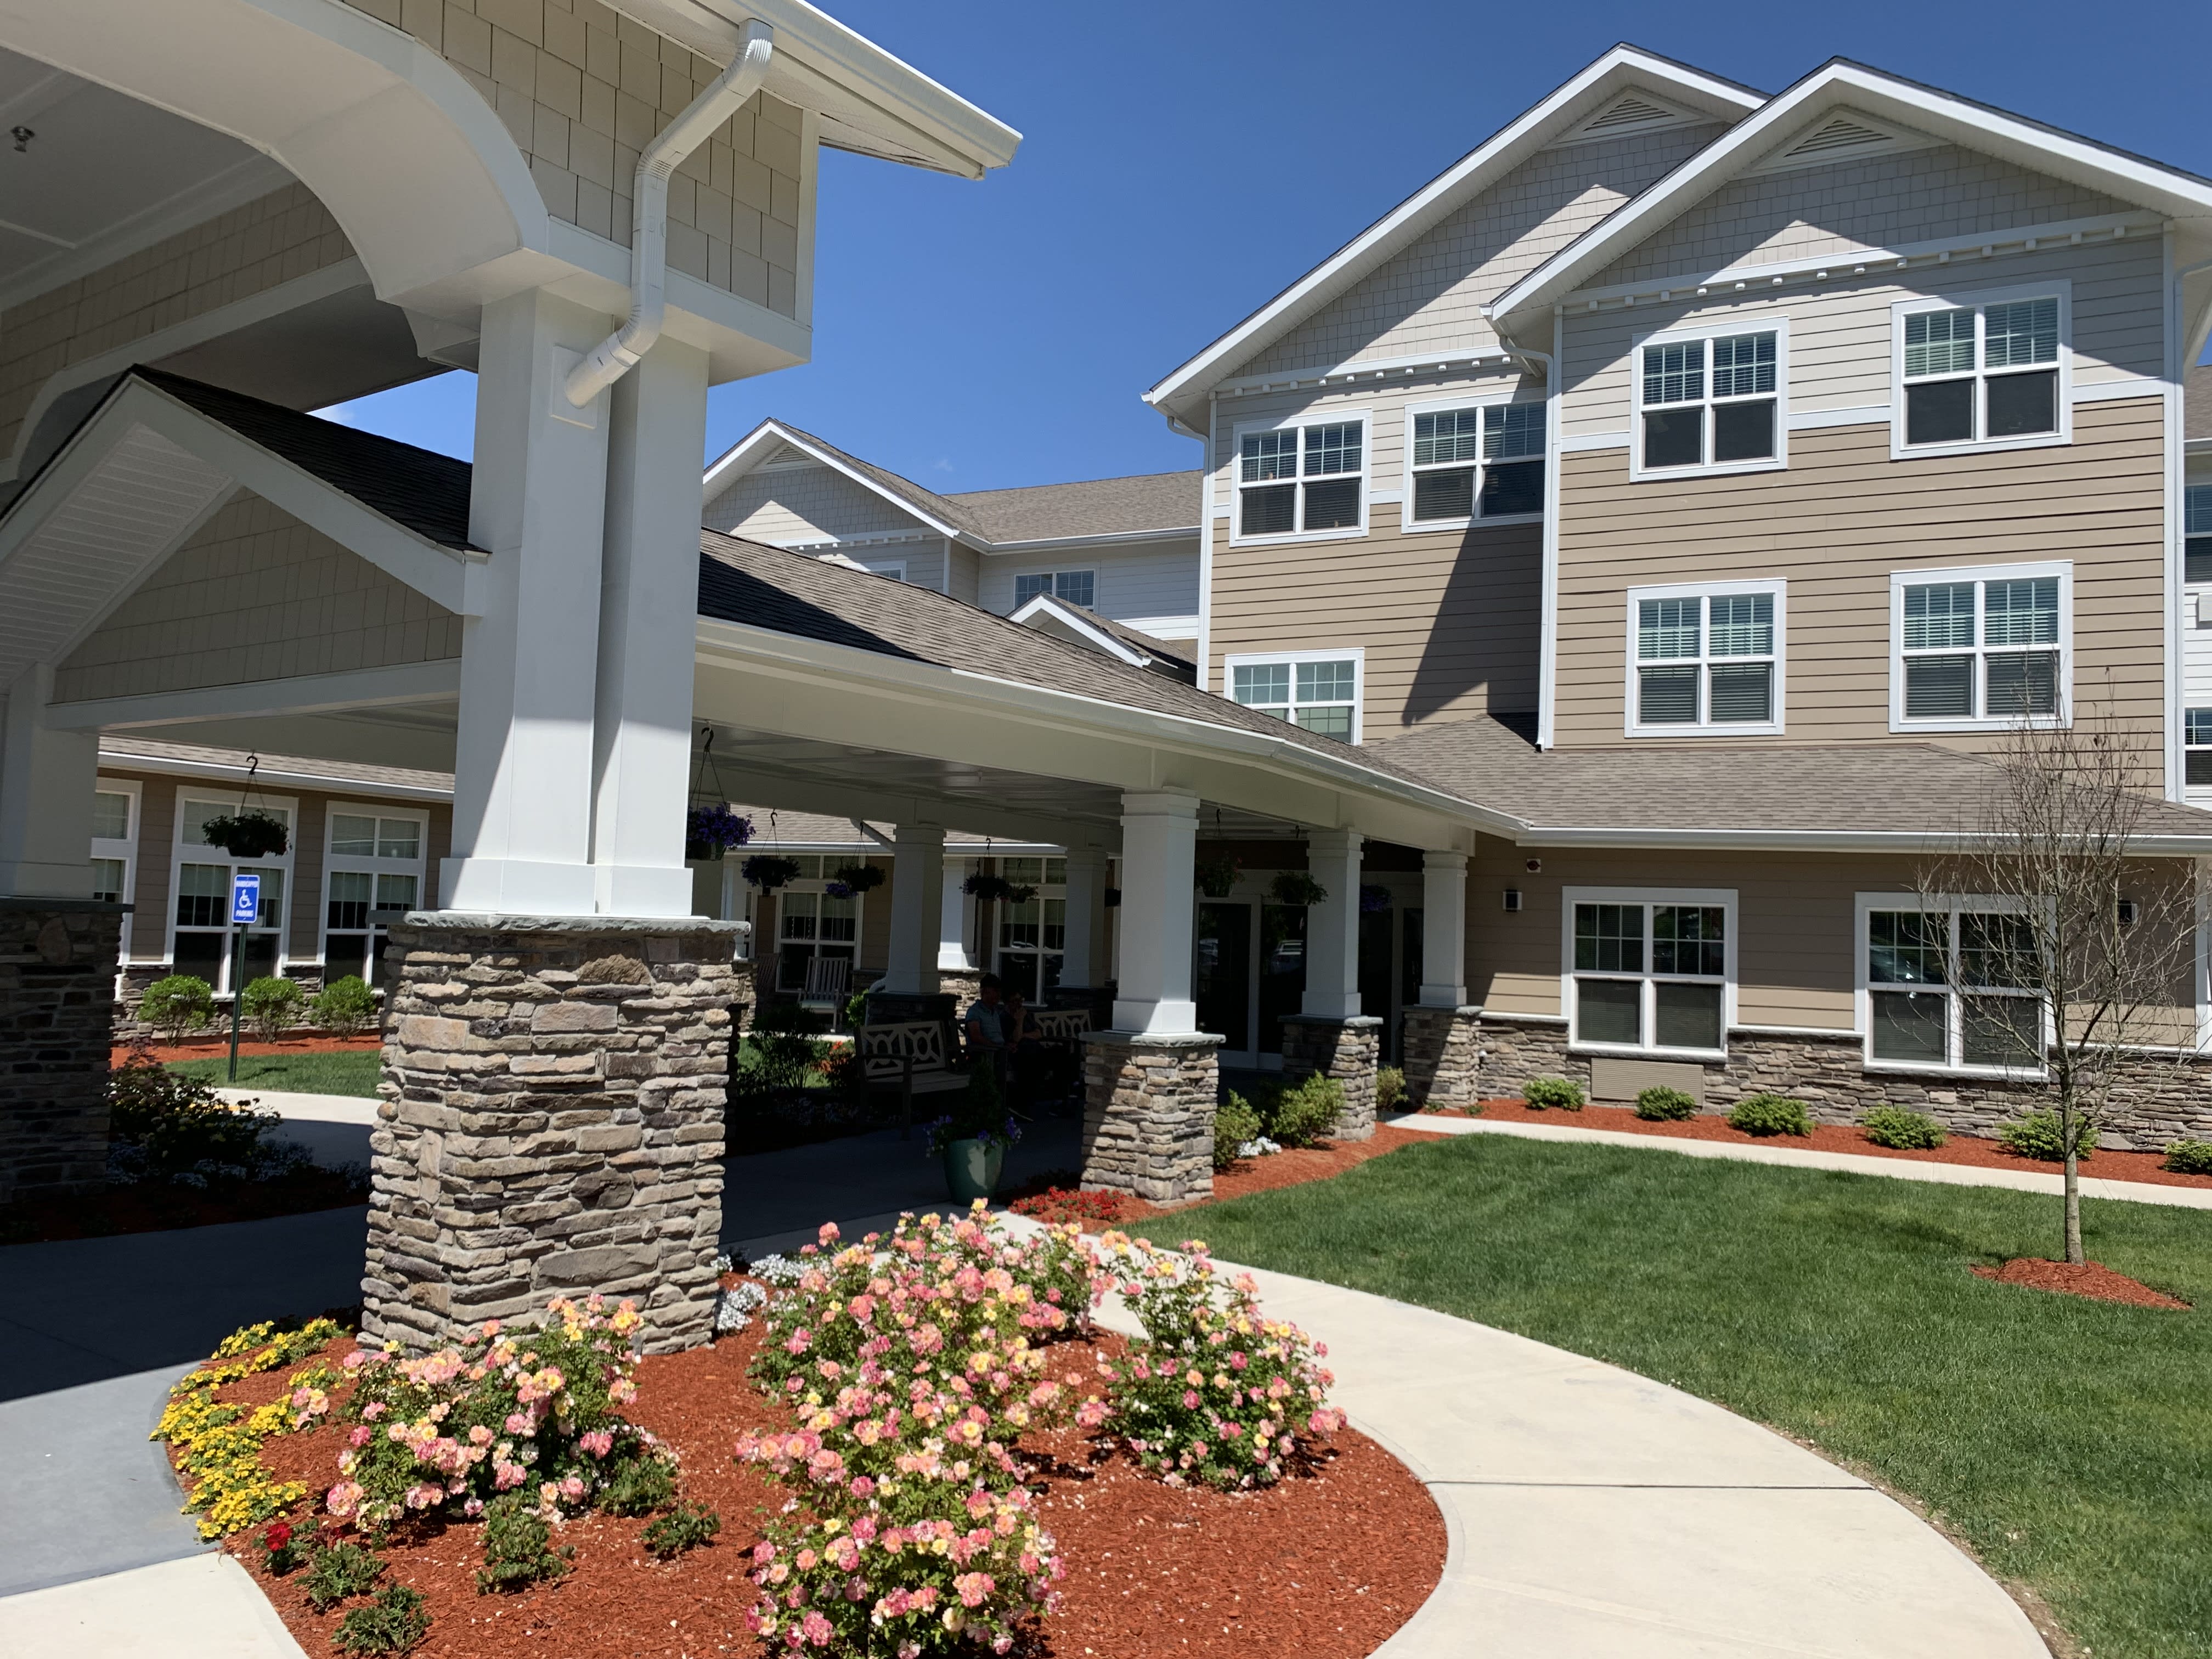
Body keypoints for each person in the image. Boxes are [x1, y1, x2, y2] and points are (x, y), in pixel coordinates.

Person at [964, 974, 1008, 1077]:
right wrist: (995, 1046)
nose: (998, 995)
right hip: (984, 1053)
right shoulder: (975, 1012)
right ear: (984, 991)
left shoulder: (995, 1012)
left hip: (1001, 1051)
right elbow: (976, 1036)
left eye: (999, 992)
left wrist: (1006, 1046)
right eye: (995, 991)